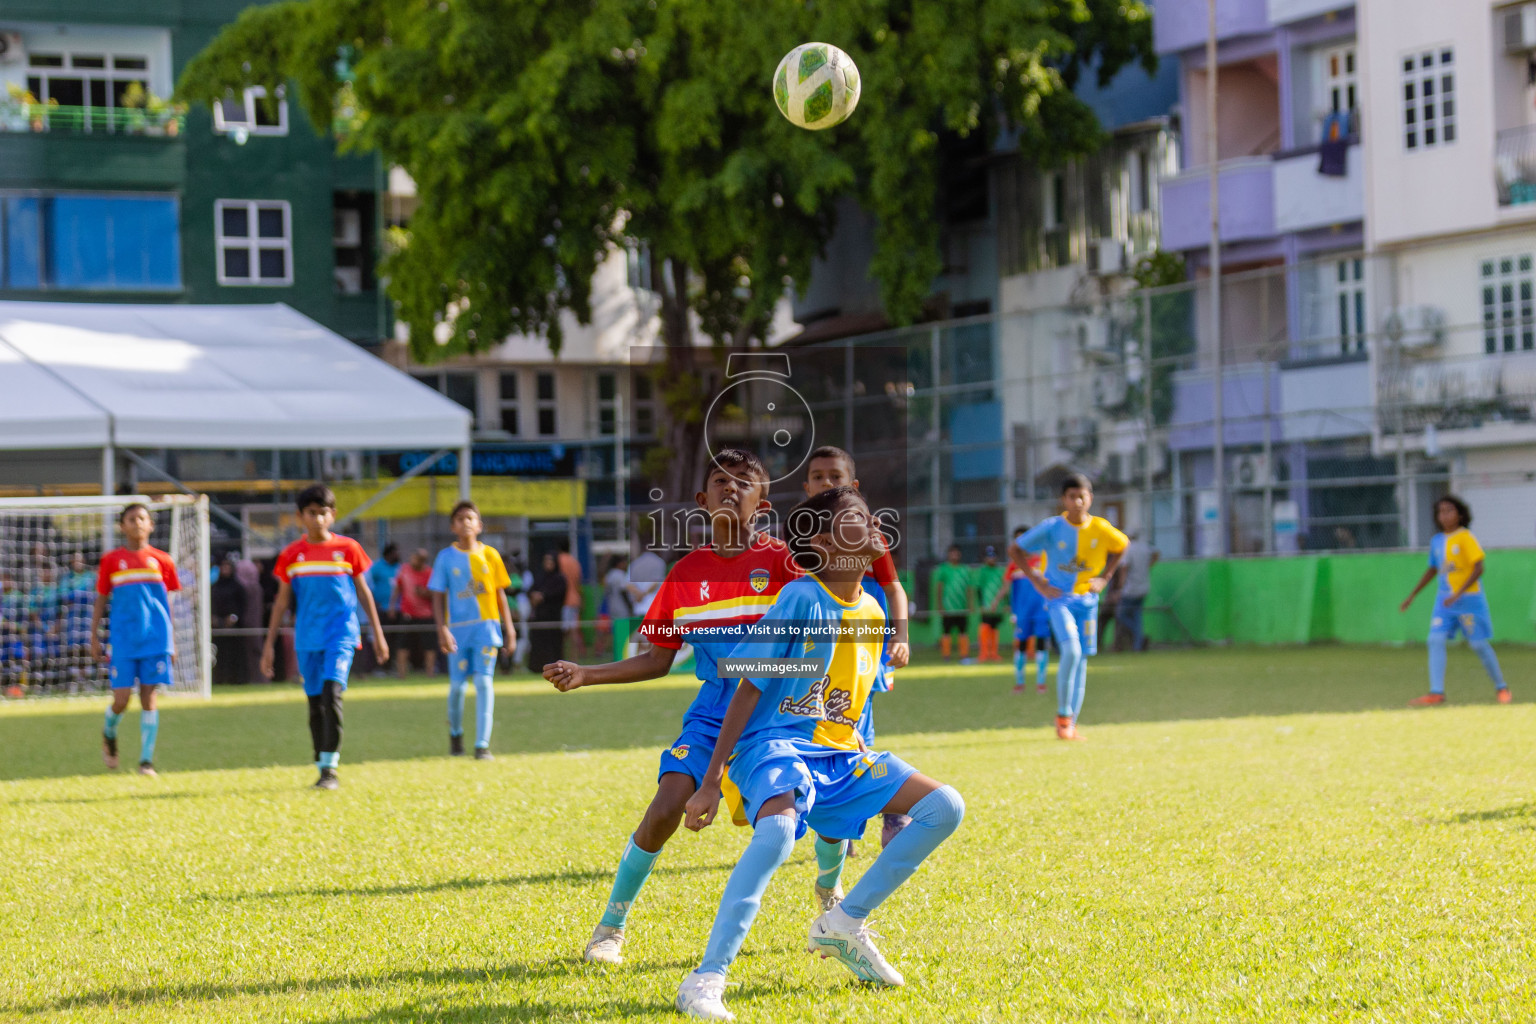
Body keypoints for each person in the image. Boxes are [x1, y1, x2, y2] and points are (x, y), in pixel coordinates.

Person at [674, 486, 965, 1020]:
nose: (874, 521)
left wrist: (862, 755)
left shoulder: (874, 611)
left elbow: (851, 706)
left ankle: (844, 923)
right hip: (774, 748)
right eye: (857, 517)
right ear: (826, 542)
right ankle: (706, 977)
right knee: (778, 833)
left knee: (945, 806)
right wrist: (712, 778)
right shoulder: (801, 599)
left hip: (841, 755)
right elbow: (748, 687)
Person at [544, 449, 798, 968]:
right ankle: (611, 925)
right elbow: (659, 659)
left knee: (812, 819)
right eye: (720, 482)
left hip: (777, 714)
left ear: (763, 503)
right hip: (711, 713)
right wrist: (588, 673)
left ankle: (834, 904)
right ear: (703, 501)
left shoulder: (786, 566)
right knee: (663, 810)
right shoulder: (685, 574)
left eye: (744, 482)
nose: (732, 488)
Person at [800, 445, 912, 880]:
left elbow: (895, 587)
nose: (828, 484)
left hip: (861, 644)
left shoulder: (869, 536)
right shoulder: (796, 541)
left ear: (854, 487)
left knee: (855, 730)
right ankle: (837, 818)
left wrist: (899, 636)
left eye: (836, 477)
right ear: (805, 486)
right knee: (819, 731)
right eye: (819, 477)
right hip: (814, 657)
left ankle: (884, 810)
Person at [261, 484, 390, 791]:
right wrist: (268, 646)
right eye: (311, 513)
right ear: (300, 516)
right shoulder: (292, 555)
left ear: (332, 515)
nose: (317, 519)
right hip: (308, 637)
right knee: (315, 703)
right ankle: (321, 763)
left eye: (323, 513)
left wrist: (378, 634)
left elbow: (364, 592)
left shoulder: (348, 549)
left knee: (333, 694)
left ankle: (330, 768)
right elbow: (281, 602)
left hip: (341, 635)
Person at [1016, 474, 1128, 741]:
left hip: (1088, 602)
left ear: (1090, 498)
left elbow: (1123, 546)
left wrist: (1105, 577)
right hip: (1059, 600)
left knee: (1082, 661)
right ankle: (1063, 715)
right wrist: (1039, 583)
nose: (1078, 502)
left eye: (1083, 496)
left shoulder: (1100, 528)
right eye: (1072, 497)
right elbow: (1015, 549)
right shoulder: (1052, 527)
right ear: (1063, 500)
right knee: (1071, 651)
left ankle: (1070, 724)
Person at [92, 503, 180, 777]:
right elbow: (101, 599)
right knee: (121, 700)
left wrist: (172, 639)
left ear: (151, 525)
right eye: (131, 519)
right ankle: (109, 733)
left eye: (142, 518)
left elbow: (169, 603)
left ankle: (146, 761)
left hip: (155, 638)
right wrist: (94, 635)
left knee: (149, 698)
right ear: (122, 526)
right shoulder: (111, 561)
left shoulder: (163, 560)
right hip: (124, 639)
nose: (137, 523)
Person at [1399, 494, 1511, 706]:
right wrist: (1412, 595)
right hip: (1444, 604)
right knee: (1435, 640)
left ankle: (1501, 687)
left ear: (1459, 514)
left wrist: (1458, 593)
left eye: (1449, 510)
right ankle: (1436, 692)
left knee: (1478, 645)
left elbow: (1479, 568)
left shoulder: (1465, 537)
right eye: (1441, 511)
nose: (1444, 515)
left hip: (1468, 601)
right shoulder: (1437, 541)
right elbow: (1433, 569)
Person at [428, 501, 517, 758]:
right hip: (457, 630)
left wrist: (509, 629)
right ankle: (456, 734)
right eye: (460, 519)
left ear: (479, 524)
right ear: (452, 526)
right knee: (457, 687)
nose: (465, 522)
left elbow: (500, 595)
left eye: (470, 518)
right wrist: (442, 628)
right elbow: (437, 595)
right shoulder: (445, 557)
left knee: (484, 682)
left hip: (486, 629)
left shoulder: (490, 555)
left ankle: (482, 745)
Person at [1002, 525, 1051, 694]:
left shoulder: (1042, 561)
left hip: (1041, 611)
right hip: (1022, 612)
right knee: (1021, 646)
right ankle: (1020, 682)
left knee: (1041, 645)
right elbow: (1007, 587)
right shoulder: (1013, 565)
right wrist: (1008, 607)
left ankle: (1041, 683)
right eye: (1018, 540)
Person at [392, 548, 436, 678]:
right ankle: (401, 674)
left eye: (416, 559)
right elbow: (397, 589)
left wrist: (425, 593)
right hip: (407, 614)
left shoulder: (430, 573)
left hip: (426, 615)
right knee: (402, 645)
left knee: (429, 646)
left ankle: (430, 674)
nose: (413, 561)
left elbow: (436, 593)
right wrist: (392, 606)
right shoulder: (404, 570)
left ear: (422, 561)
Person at [526, 552, 568, 674]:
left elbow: (558, 594)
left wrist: (543, 596)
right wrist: (534, 596)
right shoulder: (540, 577)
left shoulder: (560, 578)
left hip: (553, 617)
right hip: (539, 617)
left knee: (553, 645)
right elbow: (531, 590)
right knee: (538, 644)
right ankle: (537, 667)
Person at [1116, 533, 1158, 652]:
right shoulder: (1144, 547)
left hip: (1130, 589)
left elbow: (1124, 568)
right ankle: (1137, 644)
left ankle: (1138, 635)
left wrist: (1120, 586)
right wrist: (1148, 566)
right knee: (1137, 616)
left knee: (1121, 615)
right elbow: (1156, 553)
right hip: (1144, 588)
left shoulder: (1129, 549)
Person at [211, 555, 249, 684]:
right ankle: (220, 680)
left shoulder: (237, 586)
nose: (225, 569)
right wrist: (213, 618)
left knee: (234, 655)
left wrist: (233, 618)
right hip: (218, 628)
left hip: (234, 629)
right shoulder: (214, 587)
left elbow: (243, 606)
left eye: (228, 566)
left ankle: (236, 680)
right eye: (223, 566)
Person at [365, 542, 401, 676]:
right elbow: (367, 585)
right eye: (395, 552)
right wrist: (374, 601)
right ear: (388, 553)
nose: (398, 555)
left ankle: (392, 666)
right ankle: (380, 667)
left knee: (395, 639)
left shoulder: (399, 567)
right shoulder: (377, 567)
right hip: (380, 610)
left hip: (397, 610)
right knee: (380, 637)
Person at [931, 544, 972, 661]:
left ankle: (964, 655)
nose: (954, 555)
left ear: (960, 554)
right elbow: (939, 588)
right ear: (948, 555)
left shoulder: (965, 569)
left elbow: (968, 588)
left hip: (961, 607)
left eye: (957, 553)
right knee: (946, 632)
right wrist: (940, 605)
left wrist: (969, 604)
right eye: (952, 553)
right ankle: (946, 655)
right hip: (948, 607)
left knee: (963, 631)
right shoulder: (943, 569)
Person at [973, 545, 1007, 663]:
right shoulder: (982, 571)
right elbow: (979, 588)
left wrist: (1005, 603)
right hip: (987, 605)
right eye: (988, 556)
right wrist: (981, 604)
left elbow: (1004, 587)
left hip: (998, 606)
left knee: (994, 628)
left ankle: (993, 653)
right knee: (985, 626)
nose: (991, 558)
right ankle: (983, 653)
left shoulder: (1000, 571)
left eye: (993, 556)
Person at [557, 538, 585, 660]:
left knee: (562, 633)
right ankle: (574, 658)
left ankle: (561, 658)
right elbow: (578, 583)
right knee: (574, 631)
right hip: (575, 600)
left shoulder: (559, 561)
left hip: (564, 601)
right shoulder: (575, 562)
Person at [602, 554, 633, 660]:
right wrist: (630, 607)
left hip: (612, 606)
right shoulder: (619, 574)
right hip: (621, 607)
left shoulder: (609, 575)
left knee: (615, 631)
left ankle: (614, 653)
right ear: (619, 563)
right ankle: (622, 654)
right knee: (624, 632)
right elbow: (623, 591)